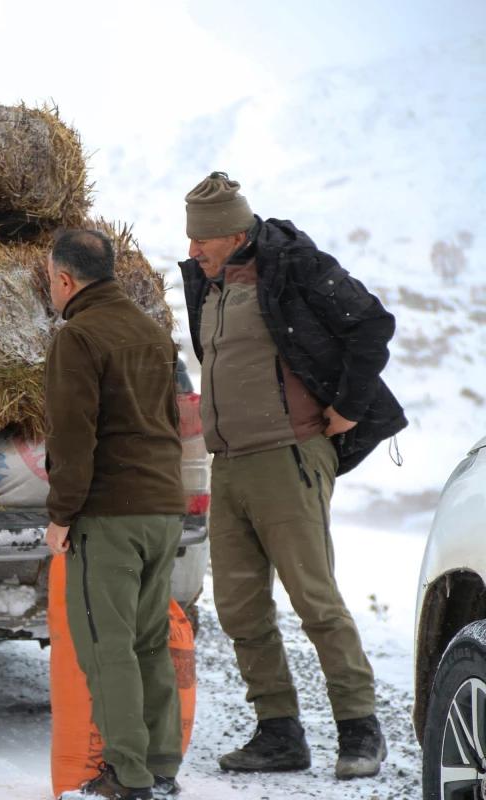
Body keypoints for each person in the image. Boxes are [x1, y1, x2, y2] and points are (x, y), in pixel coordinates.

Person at [179, 173, 406, 780]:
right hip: (227, 465)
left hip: (288, 458)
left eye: (202, 242)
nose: (193, 252)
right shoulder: (208, 282)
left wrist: (351, 407)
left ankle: (360, 730)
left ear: (233, 232)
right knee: (239, 608)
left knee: (315, 599)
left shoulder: (292, 263)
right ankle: (278, 734)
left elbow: (372, 326)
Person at [43, 229, 187, 800]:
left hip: (110, 515)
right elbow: (171, 422)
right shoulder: (151, 332)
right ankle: (161, 764)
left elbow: (73, 439)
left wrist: (61, 514)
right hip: (163, 508)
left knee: (108, 644)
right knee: (149, 640)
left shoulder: (78, 337)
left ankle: (127, 777)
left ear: (64, 279)